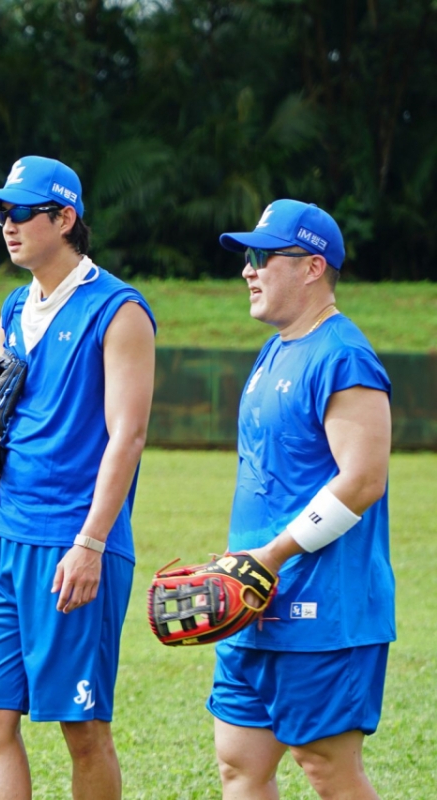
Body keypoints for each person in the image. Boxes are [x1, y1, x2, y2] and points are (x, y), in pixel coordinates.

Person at [0, 156, 156, 800]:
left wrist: (90, 543)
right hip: (3, 536)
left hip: (72, 542)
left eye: (21, 213)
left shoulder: (119, 310)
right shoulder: (14, 305)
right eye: (1, 213)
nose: (7, 225)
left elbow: (129, 437)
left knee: (81, 726)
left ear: (65, 219)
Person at [208, 200, 392, 799]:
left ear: (313, 267)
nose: (248, 269)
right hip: (252, 600)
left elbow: (363, 480)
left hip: (323, 610)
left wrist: (274, 553)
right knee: (239, 763)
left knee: (327, 769)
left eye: (263, 255)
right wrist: (241, 562)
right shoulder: (277, 349)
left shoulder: (344, 356)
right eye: (246, 257)